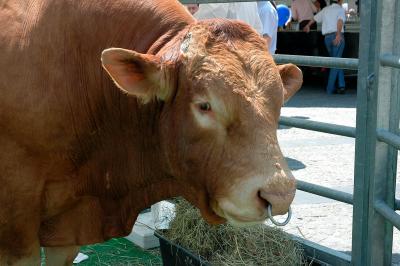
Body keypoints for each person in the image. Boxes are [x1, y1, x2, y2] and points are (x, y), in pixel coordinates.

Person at [303, 0, 346, 94]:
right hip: (336, 36)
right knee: (336, 62)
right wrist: (338, 34)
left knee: (336, 60)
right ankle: (330, 88)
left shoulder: (325, 9)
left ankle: (342, 85)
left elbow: (314, 18)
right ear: (340, 1)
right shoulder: (340, 10)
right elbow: (340, 21)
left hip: (327, 38)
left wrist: (307, 25)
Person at [195, 2, 263, 35]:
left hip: (226, 55)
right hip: (246, 54)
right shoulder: (252, 3)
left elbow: (203, 27)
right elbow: (258, 31)